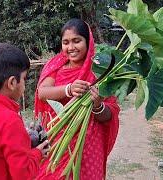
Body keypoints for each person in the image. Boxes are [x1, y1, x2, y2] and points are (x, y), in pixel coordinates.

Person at [34, 18, 120, 179]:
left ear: (88, 41)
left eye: (76, 41)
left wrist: (97, 106)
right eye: (65, 42)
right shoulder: (56, 66)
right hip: (57, 139)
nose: (71, 47)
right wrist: (69, 89)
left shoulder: (101, 72)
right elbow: (42, 93)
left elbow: (110, 114)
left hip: (88, 143)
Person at [0, 43, 50, 180]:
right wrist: (37, 153)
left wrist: (25, 141)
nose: (24, 84)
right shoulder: (10, 120)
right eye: (24, 78)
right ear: (12, 83)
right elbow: (23, 174)